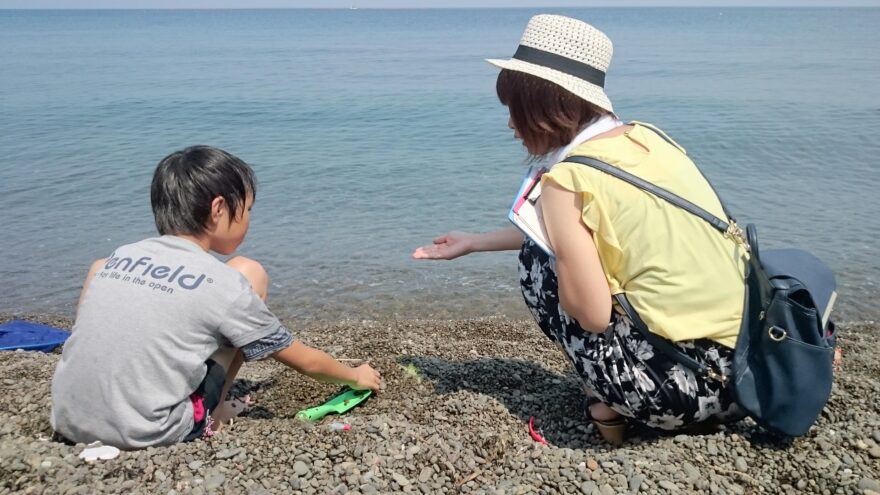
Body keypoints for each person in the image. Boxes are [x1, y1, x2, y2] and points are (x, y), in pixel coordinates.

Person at [414, 14, 747, 444]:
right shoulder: (648, 139)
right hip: (751, 371)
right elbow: (600, 231)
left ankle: (606, 398)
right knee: (558, 253)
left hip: (686, 394)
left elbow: (591, 315)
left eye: (515, 110)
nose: (511, 125)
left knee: (538, 263)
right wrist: (475, 242)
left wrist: (577, 277)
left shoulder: (567, 179)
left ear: (546, 106)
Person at [51, 145, 381, 449]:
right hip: (151, 432)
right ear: (218, 209)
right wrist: (356, 375)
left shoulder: (114, 259)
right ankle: (214, 415)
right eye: (248, 209)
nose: (249, 219)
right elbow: (305, 361)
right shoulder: (224, 287)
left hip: (68, 422)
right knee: (250, 273)